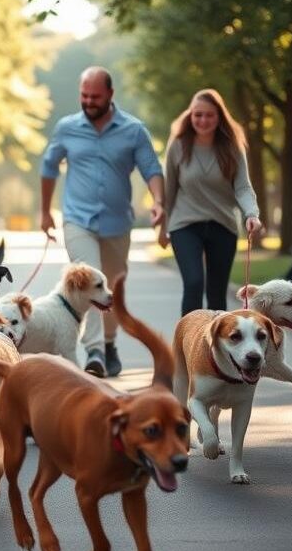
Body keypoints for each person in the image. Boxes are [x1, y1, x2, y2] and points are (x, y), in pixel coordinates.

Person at [40, 67, 164, 378]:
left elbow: (151, 169)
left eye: (95, 96)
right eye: (84, 95)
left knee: (111, 288)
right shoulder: (67, 128)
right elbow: (49, 167)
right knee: (90, 279)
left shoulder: (134, 130)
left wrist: (159, 202)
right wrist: (45, 211)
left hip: (117, 224)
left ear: (110, 94)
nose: (88, 101)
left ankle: (109, 344)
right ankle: (94, 350)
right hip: (77, 219)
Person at [158, 89, 263, 315]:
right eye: (198, 115)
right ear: (190, 115)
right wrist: (162, 227)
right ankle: (188, 337)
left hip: (222, 224)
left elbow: (243, 187)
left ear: (219, 117)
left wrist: (251, 214)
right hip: (185, 224)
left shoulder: (232, 147)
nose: (203, 120)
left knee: (216, 293)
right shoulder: (178, 145)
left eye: (209, 115)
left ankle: (216, 339)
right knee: (194, 282)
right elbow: (169, 190)